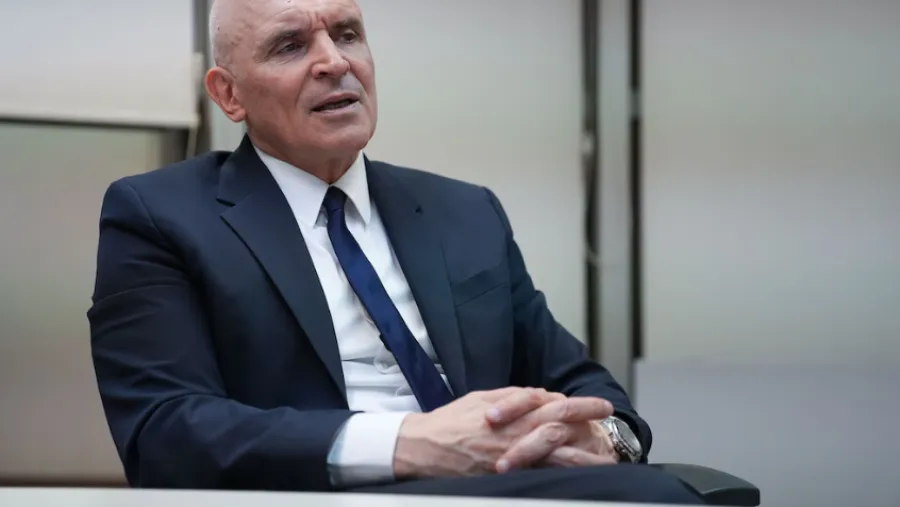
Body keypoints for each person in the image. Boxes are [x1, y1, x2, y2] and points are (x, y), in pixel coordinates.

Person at [87, 0, 702, 503]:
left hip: (507, 485)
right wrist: (411, 443)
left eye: (347, 34)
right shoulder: (161, 214)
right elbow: (165, 431)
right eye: (290, 46)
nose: (334, 62)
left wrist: (604, 439)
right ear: (229, 95)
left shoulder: (465, 212)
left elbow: (580, 382)